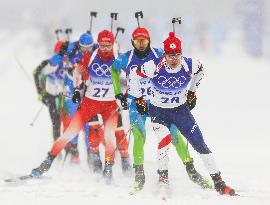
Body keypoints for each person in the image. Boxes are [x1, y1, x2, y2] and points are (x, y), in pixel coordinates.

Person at [129, 32, 236, 196]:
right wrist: (138, 98)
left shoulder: (190, 65)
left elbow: (201, 70)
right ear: (164, 54)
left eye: (177, 55)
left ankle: (219, 183)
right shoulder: (153, 66)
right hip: (159, 112)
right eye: (170, 55)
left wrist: (192, 92)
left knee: (200, 144)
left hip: (181, 111)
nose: (174, 59)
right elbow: (134, 74)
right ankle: (163, 179)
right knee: (165, 140)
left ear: (181, 53)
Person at [111, 27, 210, 191]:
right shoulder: (126, 58)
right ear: (132, 42)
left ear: (149, 40)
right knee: (139, 136)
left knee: (174, 137)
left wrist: (186, 92)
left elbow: (178, 68)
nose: (141, 45)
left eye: (144, 41)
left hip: (159, 104)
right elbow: (113, 70)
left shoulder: (159, 55)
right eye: (138, 42)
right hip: (138, 103)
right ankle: (139, 174)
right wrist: (118, 93)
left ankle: (191, 170)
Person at [31, 30, 131, 183]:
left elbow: (131, 76)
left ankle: (108, 167)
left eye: (108, 45)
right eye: (102, 45)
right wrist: (77, 89)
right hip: (89, 104)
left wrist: (126, 95)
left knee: (109, 136)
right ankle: (48, 161)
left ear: (112, 44)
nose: (105, 48)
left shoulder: (118, 57)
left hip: (109, 105)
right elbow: (77, 72)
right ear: (98, 44)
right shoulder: (90, 56)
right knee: (70, 132)